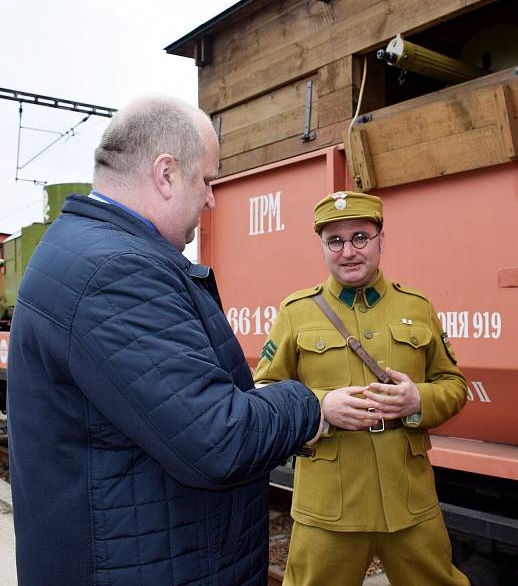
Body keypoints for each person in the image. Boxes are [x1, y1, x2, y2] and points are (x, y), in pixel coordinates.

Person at [7, 95, 322, 586]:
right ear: (166, 173)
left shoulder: (83, 249)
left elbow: (170, 409)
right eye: (207, 180)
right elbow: (217, 440)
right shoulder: (117, 272)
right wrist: (309, 405)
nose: (212, 197)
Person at [253, 191, 470, 586]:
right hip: (328, 504)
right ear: (322, 246)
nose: (348, 251)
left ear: (380, 241)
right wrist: (320, 406)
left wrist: (417, 399)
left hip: (409, 498)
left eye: (359, 237)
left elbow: (454, 385)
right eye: (334, 241)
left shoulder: (417, 307)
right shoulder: (296, 311)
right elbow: (265, 390)